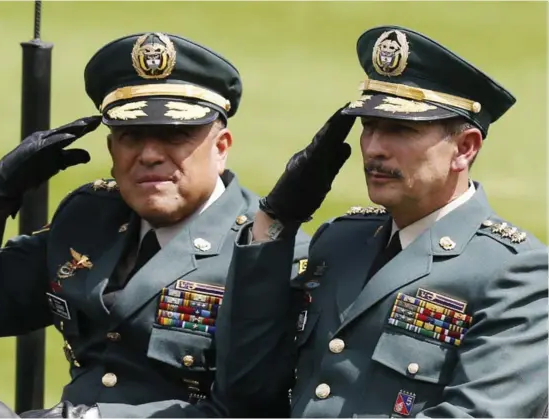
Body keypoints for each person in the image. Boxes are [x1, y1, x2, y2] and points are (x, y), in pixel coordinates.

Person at [213, 25, 549, 417]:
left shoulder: (518, 272)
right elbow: (244, 389)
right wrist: (275, 220)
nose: (373, 149)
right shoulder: (339, 242)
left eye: (400, 130)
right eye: (368, 126)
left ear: (464, 148)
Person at [0, 32, 309, 417]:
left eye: (174, 135)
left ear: (220, 148)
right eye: (132, 135)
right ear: (111, 149)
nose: (150, 155)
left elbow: (248, 410)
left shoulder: (266, 253)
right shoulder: (90, 218)